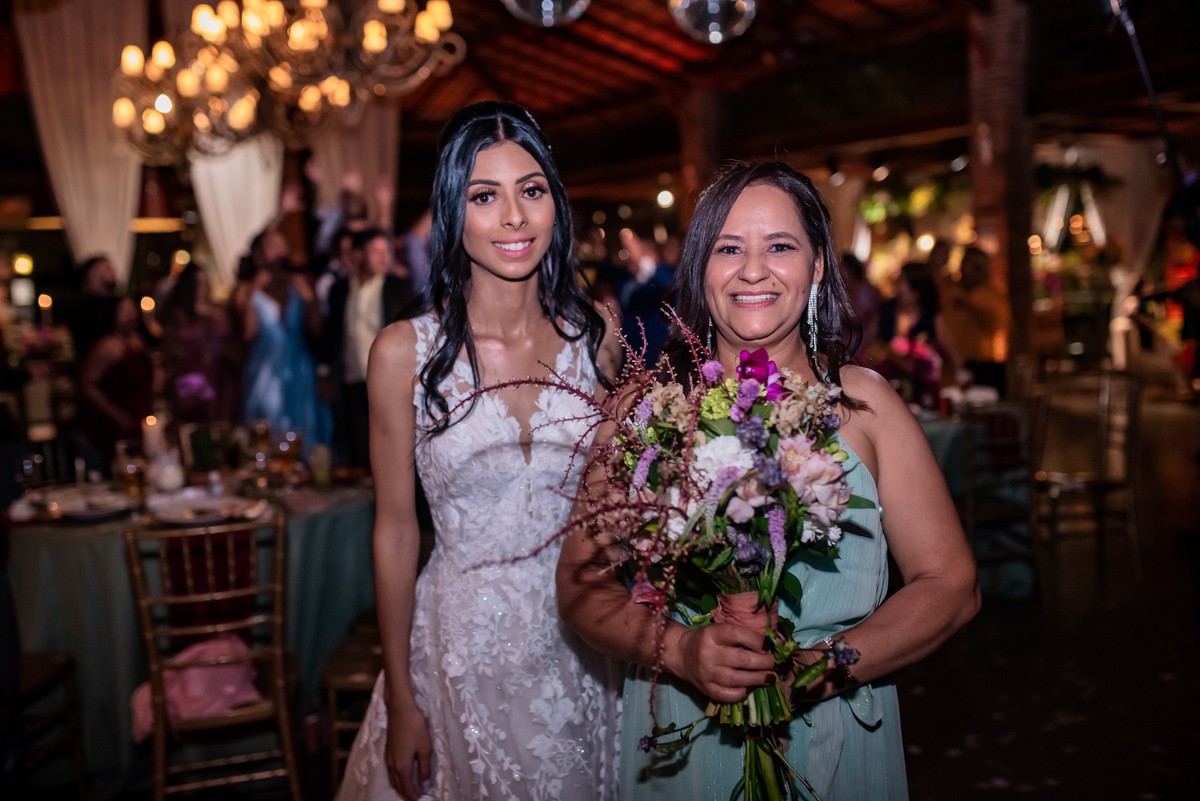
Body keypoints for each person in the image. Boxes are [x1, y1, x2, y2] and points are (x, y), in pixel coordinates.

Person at [557, 162, 980, 800]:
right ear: (700, 268)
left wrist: (819, 669)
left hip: (838, 730)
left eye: (780, 246)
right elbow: (580, 584)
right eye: (729, 249)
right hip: (684, 736)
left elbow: (952, 585)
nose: (753, 270)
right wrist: (681, 650)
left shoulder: (865, 406)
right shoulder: (642, 413)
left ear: (818, 266)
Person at [334, 101, 623, 801]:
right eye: (485, 196)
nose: (514, 218)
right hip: (461, 652)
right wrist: (401, 694)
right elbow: (395, 531)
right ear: (451, 212)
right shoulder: (403, 352)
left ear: (555, 201)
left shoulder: (599, 335)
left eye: (531, 190)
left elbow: (620, 500)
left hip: (586, 641)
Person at [318, 227, 418, 468]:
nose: (384, 258)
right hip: (352, 383)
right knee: (358, 450)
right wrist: (323, 373)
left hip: (390, 384)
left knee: (393, 449)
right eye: (376, 251)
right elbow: (331, 334)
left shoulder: (399, 288)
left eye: (387, 251)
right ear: (358, 254)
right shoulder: (339, 290)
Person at [241, 228, 331, 454]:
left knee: (302, 428)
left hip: (298, 367)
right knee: (266, 427)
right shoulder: (251, 287)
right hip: (265, 369)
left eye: (282, 245)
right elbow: (248, 334)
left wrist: (309, 296)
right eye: (272, 246)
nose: (279, 251)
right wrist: (253, 293)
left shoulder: (299, 284)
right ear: (260, 254)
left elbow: (317, 329)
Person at [75, 297, 154, 462]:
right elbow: (87, 384)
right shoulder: (106, 347)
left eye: (133, 311)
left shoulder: (138, 341)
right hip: (115, 419)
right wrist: (116, 414)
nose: (132, 316)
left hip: (140, 414)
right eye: (125, 312)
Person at [160, 264, 238, 425]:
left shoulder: (220, 311)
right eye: (199, 283)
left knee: (220, 425)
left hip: (219, 380)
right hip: (190, 384)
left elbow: (229, 341)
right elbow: (172, 350)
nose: (204, 288)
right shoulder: (179, 315)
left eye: (206, 282)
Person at [877, 260, 964, 380]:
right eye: (901, 281)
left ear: (920, 289)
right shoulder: (885, 311)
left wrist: (961, 383)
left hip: (923, 384)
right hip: (886, 381)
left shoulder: (933, 318)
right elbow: (871, 347)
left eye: (909, 284)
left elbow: (954, 355)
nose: (903, 288)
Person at [945, 246, 1010, 393]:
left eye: (967, 265)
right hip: (961, 362)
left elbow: (995, 326)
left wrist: (970, 307)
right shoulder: (956, 293)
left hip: (986, 363)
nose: (962, 269)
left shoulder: (990, 296)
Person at [68, 255, 120, 361]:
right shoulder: (82, 310)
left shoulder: (122, 303)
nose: (113, 270)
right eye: (107, 267)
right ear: (92, 273)